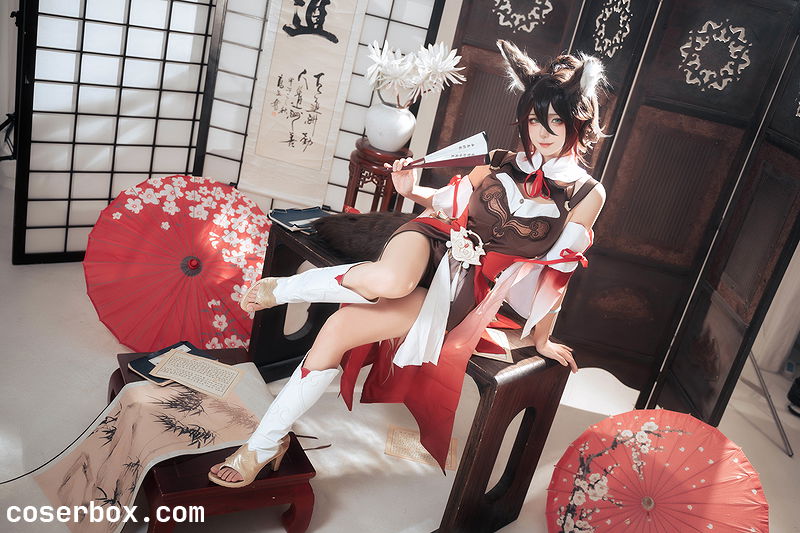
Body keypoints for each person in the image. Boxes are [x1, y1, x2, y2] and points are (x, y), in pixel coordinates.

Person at [208, 39, 608, 487]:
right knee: (394, 280)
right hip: (433, 241)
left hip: (464, 289)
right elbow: (446, 205)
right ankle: (282, 290)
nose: (543, 131)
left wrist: (543, 338)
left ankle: (264, 444)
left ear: (579, 120)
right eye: (535, 119)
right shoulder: (499, 162)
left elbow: (558, 272)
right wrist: (410, 190)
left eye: (557, 120)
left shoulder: (587, 194)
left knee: (338, 329)